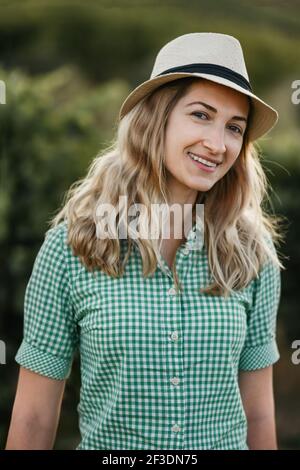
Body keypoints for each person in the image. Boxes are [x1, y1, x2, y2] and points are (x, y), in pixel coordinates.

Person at [6, 32, 286, 450]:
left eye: (234, 128)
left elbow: (259, 412)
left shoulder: (252, 252)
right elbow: (33, 418)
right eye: (201, 115)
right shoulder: (73, 246)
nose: (217, 144)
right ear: (156, 118)